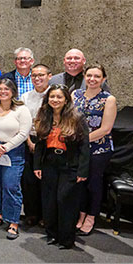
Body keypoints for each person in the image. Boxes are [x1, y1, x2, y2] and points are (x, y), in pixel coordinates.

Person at [33, 84, 89, 250]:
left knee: (65, 200)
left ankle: (66, 239)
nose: (55, 100)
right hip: (49, 162)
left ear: (66, 100)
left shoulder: (77, 117)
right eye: (52, 97)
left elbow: (84, 147)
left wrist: (82, 170)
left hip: (69, 163)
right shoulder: (44, 115)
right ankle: (52, 234)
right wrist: (37, 165)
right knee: (49, 201)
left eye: (59, 97)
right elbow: (39, 144)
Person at [0, 79, 31, 240]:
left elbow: (24, 133)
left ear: (13, 92)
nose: (3, 92)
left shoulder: (21, 109)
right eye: (0, 89)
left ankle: (13, 221)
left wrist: (6, 147)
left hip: (13, 152)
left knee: (11, 186)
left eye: (6, 89)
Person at [71, 64, 117, 236]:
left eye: (97, 76)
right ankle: (81, 214)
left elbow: (106, 129)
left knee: (93, 183)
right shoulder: (75, 95)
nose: (92, 79)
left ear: (103, 79)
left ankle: (91, 216)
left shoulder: (108, 99)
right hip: (76, 148)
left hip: (98, 149)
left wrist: (81, 142)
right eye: (89, 75)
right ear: (84, 76)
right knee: (79, 182)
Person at [21, 63, 52, 226]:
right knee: (28, 180)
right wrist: (28, 141)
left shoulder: (55, 95)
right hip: (29, 140)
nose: (37, 78)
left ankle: (45, 215)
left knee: (46, 180)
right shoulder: (26, 97)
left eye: (41, 75)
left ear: (49, 76)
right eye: (34, 75)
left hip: (49, 142)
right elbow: (22, 121)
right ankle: (31, 213)